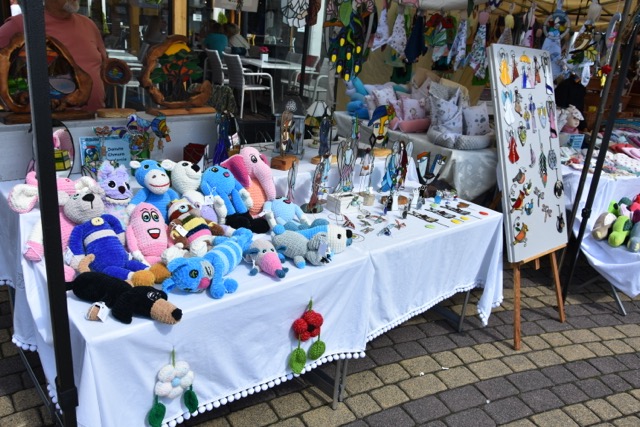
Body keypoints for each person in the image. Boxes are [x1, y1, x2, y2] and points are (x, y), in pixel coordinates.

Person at [0, 0, 107, 112]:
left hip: (97, 117)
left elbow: (104, 68)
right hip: (49, 119)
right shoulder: (23, 23)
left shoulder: (88, 24)